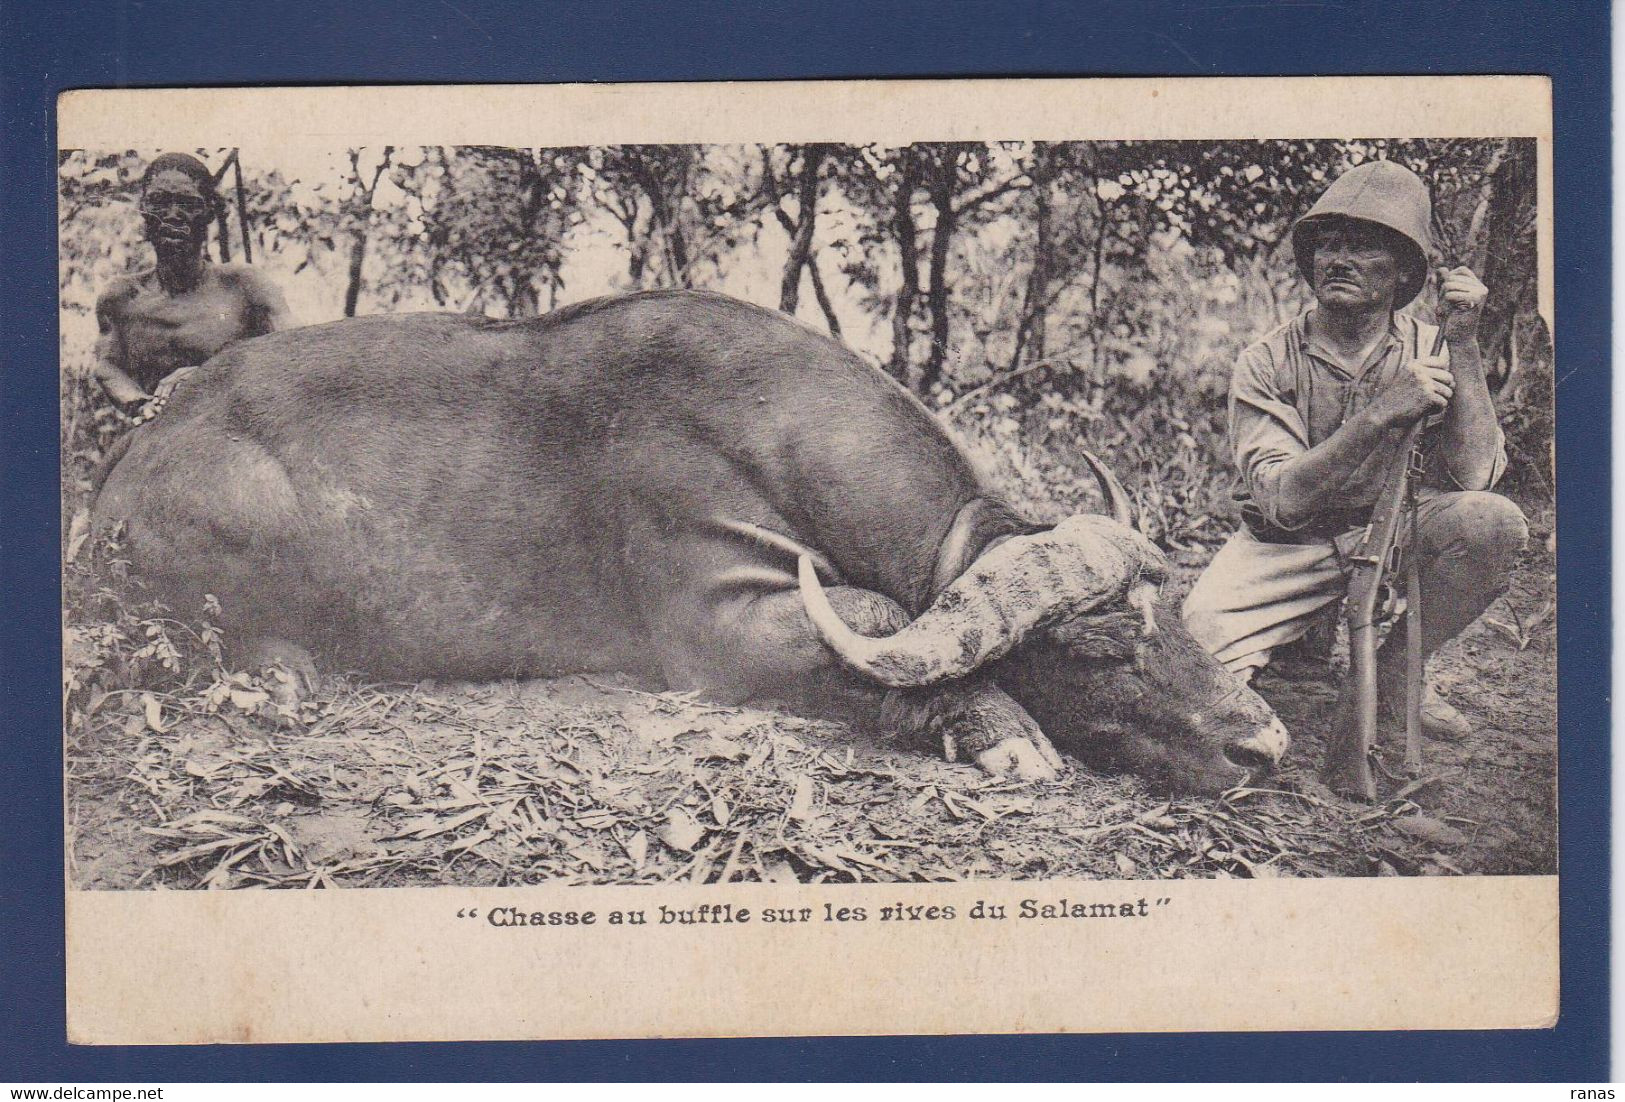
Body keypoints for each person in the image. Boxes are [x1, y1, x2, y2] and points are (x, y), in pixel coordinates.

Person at [1181, 159, 1528, 745]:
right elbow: (1284, 501)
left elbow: (1474, 476)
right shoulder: (1266, 360)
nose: (1338, 259)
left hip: (1393, 534)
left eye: (1365, 247)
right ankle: (1300, 638)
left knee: (1493, 523)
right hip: (1290, 545)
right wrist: (1380, 413)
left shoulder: (1434, 347)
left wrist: (1465, 346)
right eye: (1329, 245)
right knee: (1192, 659)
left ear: (1400, 274)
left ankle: (1399, 676)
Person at [94, 152, 290, 411]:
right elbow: (108, 366)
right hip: (158, 432)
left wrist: (209, 376)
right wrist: (140, 404)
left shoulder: (245, 285)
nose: (173, 214)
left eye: (188, 204)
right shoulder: (120, 298)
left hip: (239, 430)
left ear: (210, 212)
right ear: (143, 209)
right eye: (159, 201)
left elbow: (294, 350)